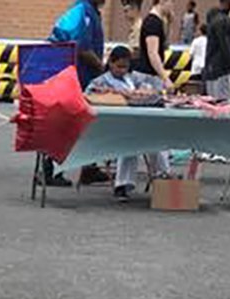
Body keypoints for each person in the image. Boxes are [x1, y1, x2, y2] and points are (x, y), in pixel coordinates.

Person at [88, 46, 170, 202]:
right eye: (119, 66)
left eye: (125, 67)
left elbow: (156, 84)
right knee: (129, 144)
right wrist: (113, 93)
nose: (122, 70)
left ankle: (163, 179)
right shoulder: (100, 81)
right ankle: (122, 185)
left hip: (138, 124)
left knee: (159, 141)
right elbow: (89, 94)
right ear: (110, 63)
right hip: (113, 127)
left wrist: (146, 90)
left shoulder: (134, 77)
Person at [44, 0, 108, 187]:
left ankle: (89, 167)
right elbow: (83, 48)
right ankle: (49, 169)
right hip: (74, 78)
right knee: (65, 123)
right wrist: (102, 69)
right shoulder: (82, 10)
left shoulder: (91, 11)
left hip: (84, 78)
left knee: (87, 124)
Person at [133, 0, 174, 90]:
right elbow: (153, 53)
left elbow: (165, 46)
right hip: (147, 75)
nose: (172, 6)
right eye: (171, 2)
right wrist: (165, 78)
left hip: (152, 75)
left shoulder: (158, 22)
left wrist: (170, 24)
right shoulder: (152, 22)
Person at [203, 0, 230, 99]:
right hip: (222, 70)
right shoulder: (224, 21)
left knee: (211, 106)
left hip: (210, 68)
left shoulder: (213, 18)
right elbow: (226, 48)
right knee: (222, 107)